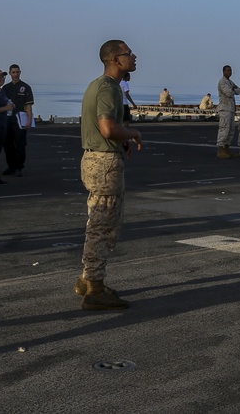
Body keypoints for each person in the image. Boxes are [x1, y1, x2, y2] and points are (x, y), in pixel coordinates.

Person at [74, 39, 142, 311]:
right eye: (128, 54)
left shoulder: (98, 85)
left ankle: (87, 279)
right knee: (103, 226)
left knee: (99, 223)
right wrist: (132, 133)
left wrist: (120, 139)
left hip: (96, 158)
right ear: (115, 60)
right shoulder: (109, 88)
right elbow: (107, 128)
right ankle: (95, 289)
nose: (134, 57)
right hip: (104, 163)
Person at [3, 64, 35, 176]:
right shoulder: (5, 88)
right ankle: (10, 166)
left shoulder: (25, 87)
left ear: (20, 72)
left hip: (20, 120)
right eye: (13, 72)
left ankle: (19, 167)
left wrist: (29, 120)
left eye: (17, 72)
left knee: (20, 143)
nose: (15, 74)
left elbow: (28, 106)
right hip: (7, 119)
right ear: (10, 73)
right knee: (8, 144)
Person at [216, 65, 239, 159]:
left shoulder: (230, 82)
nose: (230, 72)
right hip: (224, 109)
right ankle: (220, 149)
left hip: (231, 109)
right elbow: (228, 92)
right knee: (224, 129)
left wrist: (233, 89)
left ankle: (226, 149)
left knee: (231, 130)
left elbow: (238, 90)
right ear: (223, 72)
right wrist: (233, 89)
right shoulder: (222, 82)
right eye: (228, 71)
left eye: (230, 71)